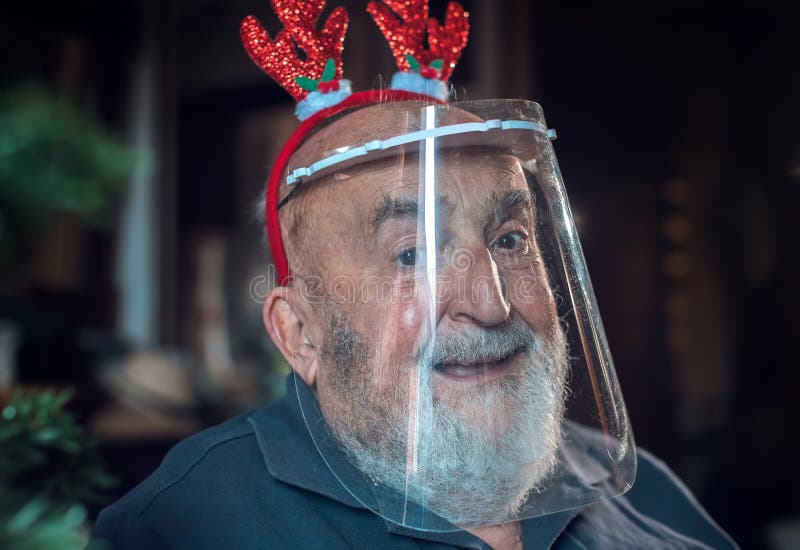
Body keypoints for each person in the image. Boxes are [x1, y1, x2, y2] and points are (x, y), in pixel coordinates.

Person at [91, 2, 737, 548]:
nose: (491, 303)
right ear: (298, 333)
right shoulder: (186, 523)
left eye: (511, 239)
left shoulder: (641, 486)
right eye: (410, 254)